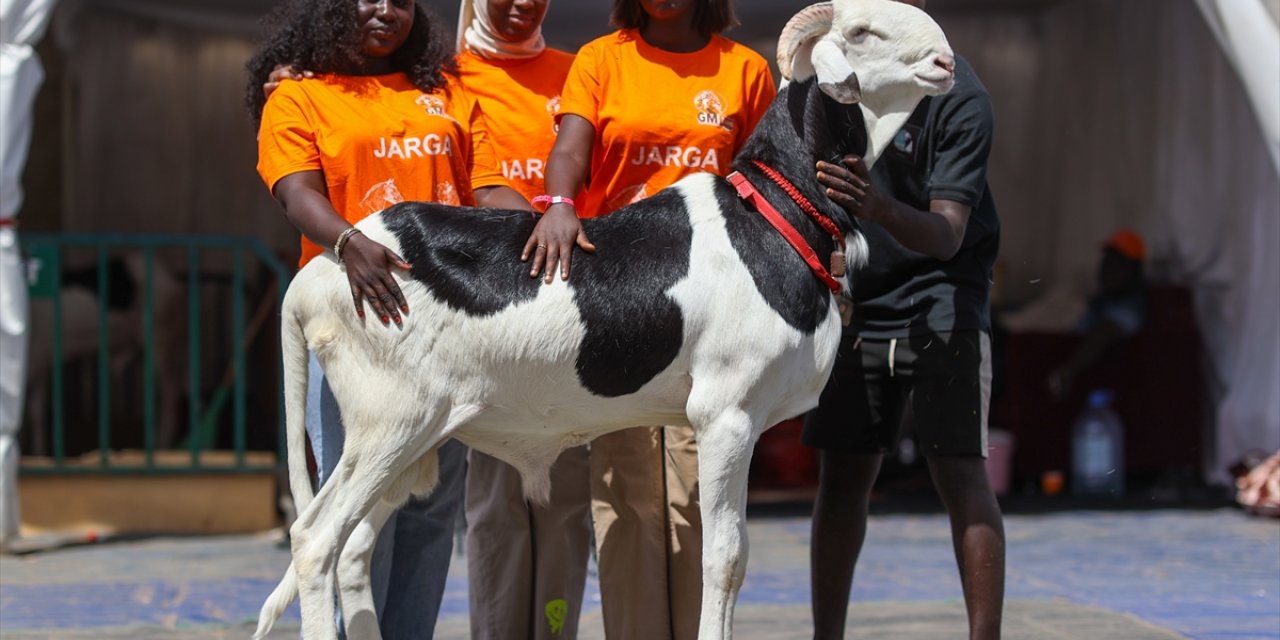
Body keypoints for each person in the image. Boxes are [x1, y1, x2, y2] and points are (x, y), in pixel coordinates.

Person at [247, 0, 527, 636]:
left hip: (448, 336)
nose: (385, 10)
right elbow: (297, 192)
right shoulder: (298, 97)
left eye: (401, 1)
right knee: (359, 515)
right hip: (354, 332)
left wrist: (545, 221)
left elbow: (486, 189)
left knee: (430, 510)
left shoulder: (448, 91)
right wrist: (348, 243)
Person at [526, 1, 775, 637]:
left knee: (701, 493)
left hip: (716, 310)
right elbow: (570, 151)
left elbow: (767, 182)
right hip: (623, 302)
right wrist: (558, 204)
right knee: (627, 493)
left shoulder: (745, 70)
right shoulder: (602, 59)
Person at [801, 0, 1006, 638]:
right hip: (860, 299)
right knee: (842, 475)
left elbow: (947, 235)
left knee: (958, 469)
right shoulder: (837, 88)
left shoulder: (959, 97)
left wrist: (878, 206)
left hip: (943, 294)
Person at [452, 1, 593, 637]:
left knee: (565, 498)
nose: (521, 2)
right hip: (486, 316)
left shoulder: (580, 71)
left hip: (573, 314)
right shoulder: (443, 79)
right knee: (496, 501)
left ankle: (554, 630)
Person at [1047, 228, 1148, 399]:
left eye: (1116, 263)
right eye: (1106, 261)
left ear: (1133, 270)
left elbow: (1102, 335)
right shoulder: (1102, 301)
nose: (1106, 268)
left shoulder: (1129, 308)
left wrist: (1068, 370)